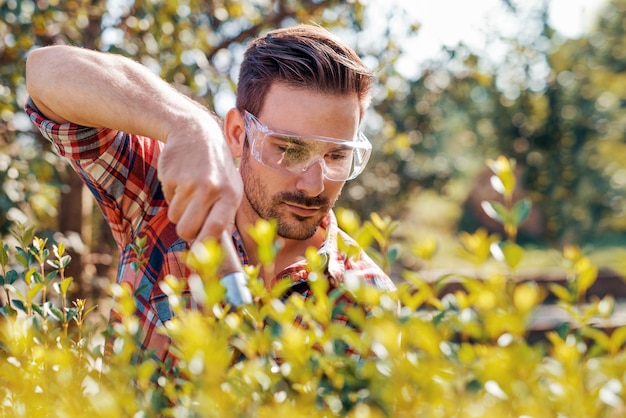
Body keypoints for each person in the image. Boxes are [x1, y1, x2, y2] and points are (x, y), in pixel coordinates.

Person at [25, 24, 396, 362]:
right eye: (288, 149)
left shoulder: (366, 297)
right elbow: (45, 72)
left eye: (337, 155)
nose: (314, 185)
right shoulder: (164, 194)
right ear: (237, 134)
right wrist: (187, 124)